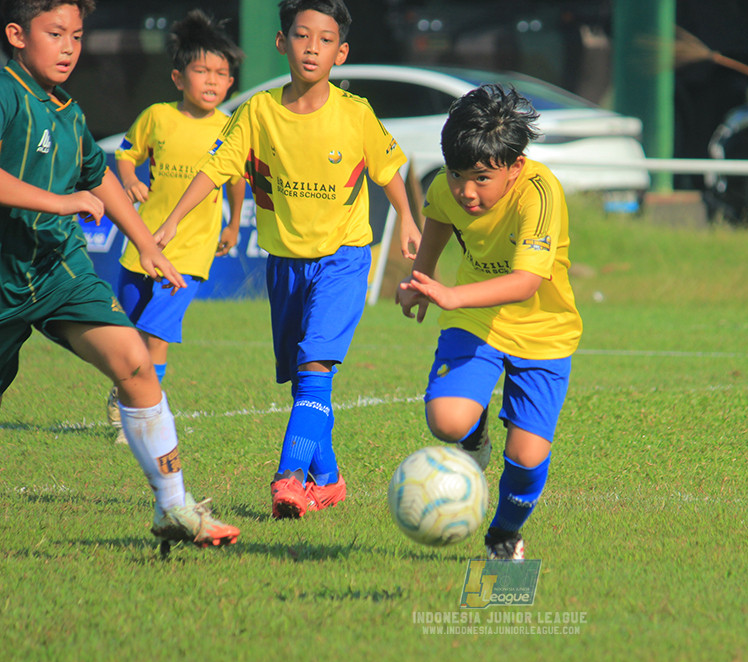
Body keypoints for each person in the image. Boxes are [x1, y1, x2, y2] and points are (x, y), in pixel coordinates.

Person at [157, 0, 421, 520]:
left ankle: (289, 479)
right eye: (302, 36)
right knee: (304, 380)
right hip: (286, 265)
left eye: (325, 40)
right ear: (282, 43)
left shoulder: (355, 113)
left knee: (315, 367)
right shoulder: (257, 114)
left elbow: (388, 166)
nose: (312, 48)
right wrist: (171, 222)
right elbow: (214, 171)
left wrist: (407, 219)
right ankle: (329, 479)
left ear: (340, 53)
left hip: (344, 259)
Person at [0, 0, 239, 550]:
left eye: (77, 36)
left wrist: (147, 244)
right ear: (16, 34)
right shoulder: (7, 94)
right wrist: (60, 204)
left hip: (58, 270)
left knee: (135, 363)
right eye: (54, 33)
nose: (68, 47)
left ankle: (174, 508)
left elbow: (97, 175)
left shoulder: (67, 109)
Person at [396, 84, 582, 560]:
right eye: (458, 175)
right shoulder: (446, 187)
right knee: (447, 420)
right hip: (478, 319)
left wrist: (450, 295)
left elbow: (524, 283)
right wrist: (420, 283)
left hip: (544, 330)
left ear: (515, 167)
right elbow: (437, 222)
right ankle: (474, 434)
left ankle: (503, 533)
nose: (466, 190)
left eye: (481, 177)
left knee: (526, 456)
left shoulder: (540, 194)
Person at [106, 10, 246, 443]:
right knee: (131, 332)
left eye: (221, 74)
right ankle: (127, 391)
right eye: (201, 70)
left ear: (230, 84)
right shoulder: (157, 117)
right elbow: (127, 154)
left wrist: (234, 225)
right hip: (143, 242)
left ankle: (143, 415)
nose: (211, 80)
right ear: (177, 77)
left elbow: (237, 179)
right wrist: (129, 179)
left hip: (192, 251)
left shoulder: (231, 128)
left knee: (156, 330)